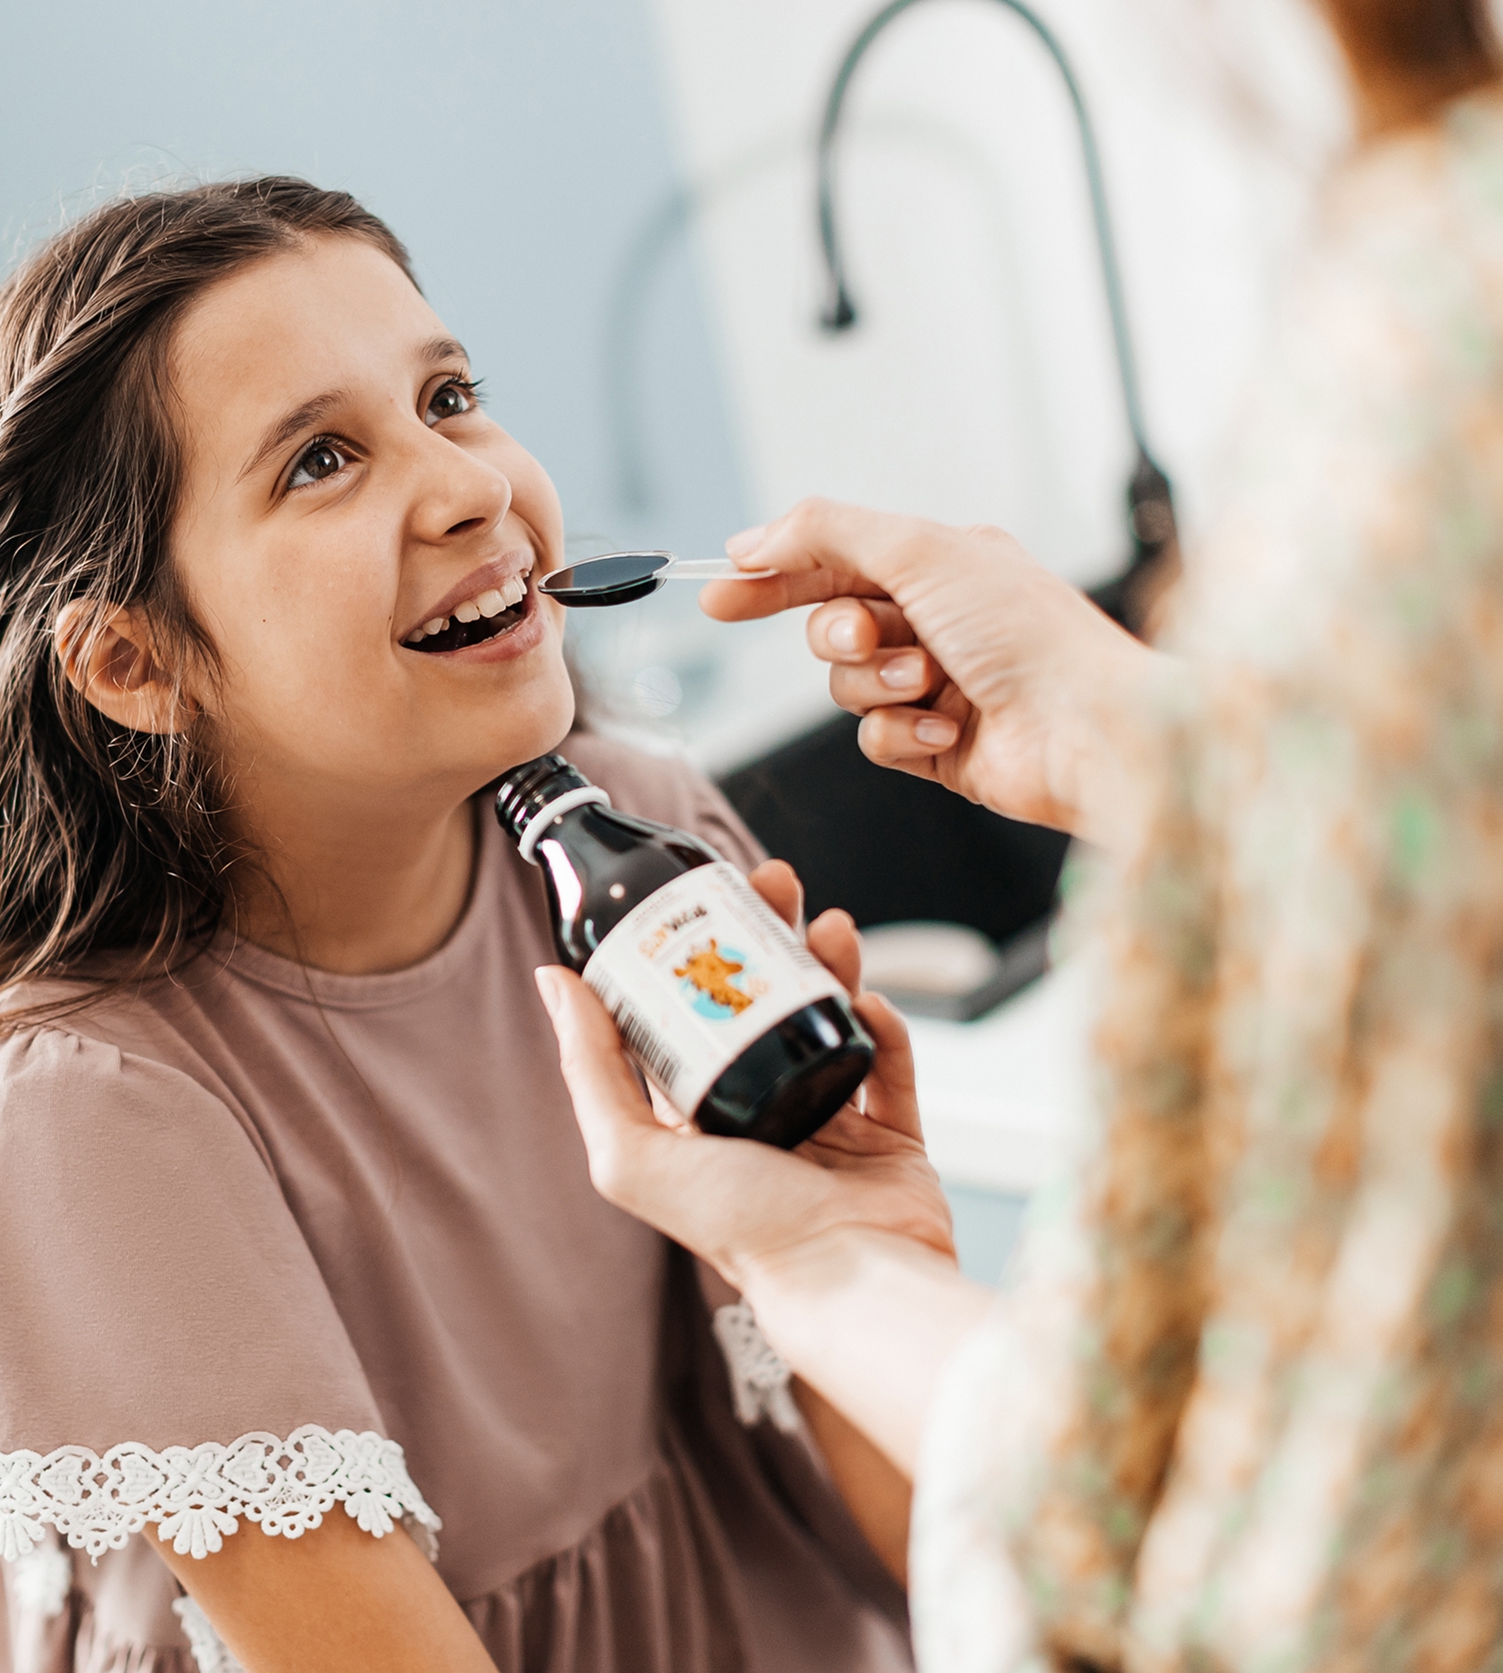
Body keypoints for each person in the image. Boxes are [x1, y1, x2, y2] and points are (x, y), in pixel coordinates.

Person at [0, 179, 915, 1673]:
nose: (467, 484)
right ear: (130, 659)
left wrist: (870, 1262)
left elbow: (913, 1514)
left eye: (448, 396)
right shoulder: (84, 1105)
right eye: (320, 460)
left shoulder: (638, 835)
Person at [538, 4, 1503, 1669]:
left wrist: (830, 1263)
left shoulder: (1426, 358)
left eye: (456, 394)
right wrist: (1153, 747)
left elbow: (1287, 1561)